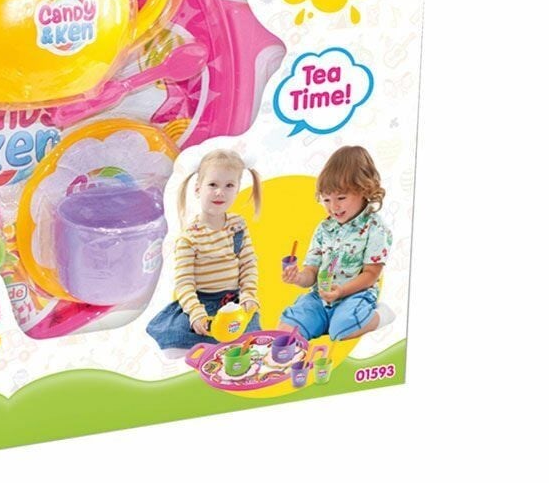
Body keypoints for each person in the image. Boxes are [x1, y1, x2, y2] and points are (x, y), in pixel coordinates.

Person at [146, 149, 261, 355]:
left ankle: (226, 344)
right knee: (178, 336)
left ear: (237, 190)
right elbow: (184, 283)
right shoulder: (189, 237)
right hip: (203, 302)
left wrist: (248, 295)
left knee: (251, 334)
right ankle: (203, 343)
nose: (220, 192)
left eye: (229, 185)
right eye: (213, 184)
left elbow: (248, 264)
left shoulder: (238, 226)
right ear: (198, 189)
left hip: (234, 302)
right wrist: (196, 312)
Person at [281, 146, 391, 340]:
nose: (334, 207)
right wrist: (298, 277)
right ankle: (325, 321)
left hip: (355, 295)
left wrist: (342, 291)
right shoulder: (324, 228)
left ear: (363, 190)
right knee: (287, 329)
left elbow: (371, 274)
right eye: (326, 199)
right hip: (321, 297)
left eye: (341, 198)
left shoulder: (375, 227)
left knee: (342, 329)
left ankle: (379, 316)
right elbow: (312, 271)